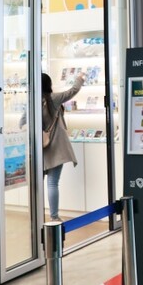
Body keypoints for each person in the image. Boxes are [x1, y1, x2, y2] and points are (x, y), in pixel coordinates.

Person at [42, 71, 84, 221]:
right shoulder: (53, 98)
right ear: (49, 85)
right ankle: (54, 217)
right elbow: (73, 91)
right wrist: (79, 79)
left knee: (38, 184)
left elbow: (22, 122)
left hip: (40, 148)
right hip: (56, 147)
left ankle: (37, 215)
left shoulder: (33, 101)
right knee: (53, 183)